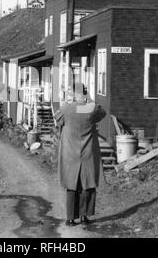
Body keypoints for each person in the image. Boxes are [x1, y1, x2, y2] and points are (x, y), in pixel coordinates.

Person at [54, 84, 106, 226]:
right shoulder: (91, 108)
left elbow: (57, 118)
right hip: (88, 152)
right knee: (87, 185)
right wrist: (88, 100)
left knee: (72, 186)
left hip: (70, 153)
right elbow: (102, 113)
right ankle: (84, 217)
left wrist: (69, 102)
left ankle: (70, 219)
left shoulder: (66, 109)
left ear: (73, 93)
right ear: (85, 93)